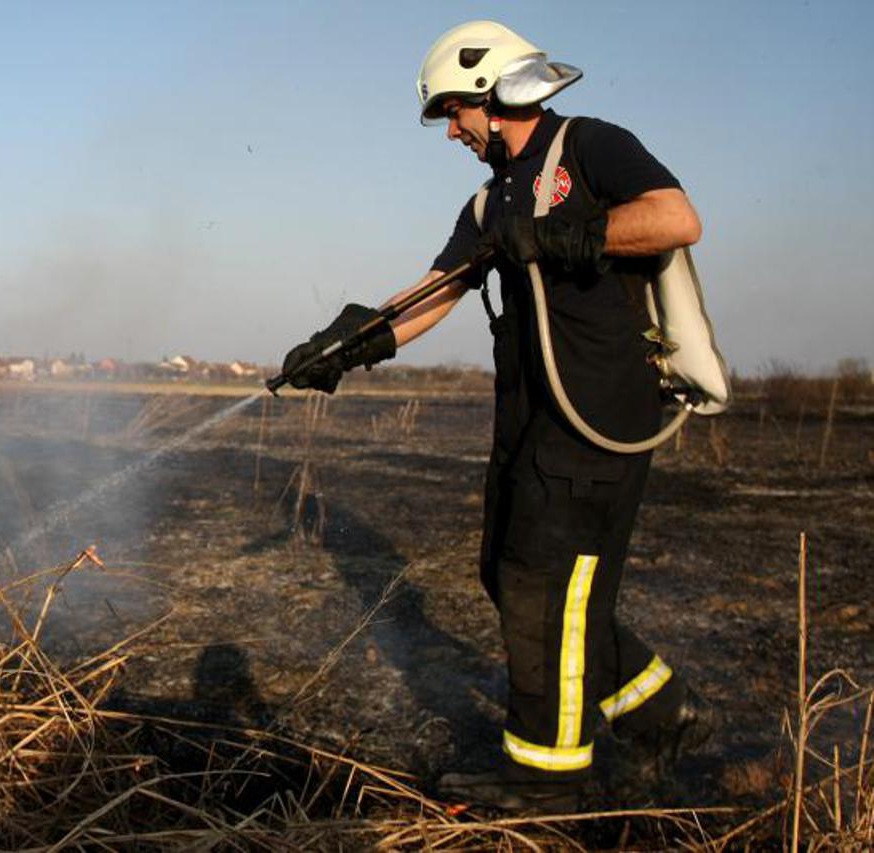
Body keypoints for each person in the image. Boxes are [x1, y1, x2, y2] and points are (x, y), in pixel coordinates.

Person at [279, 20, 715, 812]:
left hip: (596, 413)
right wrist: (345, 345)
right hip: (525, 417)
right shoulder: (486, 202)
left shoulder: (589, 146)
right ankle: (661, 711)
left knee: (548, 584)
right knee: (509, 572)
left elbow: (675, 217)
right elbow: (435, 290)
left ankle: (548, 775)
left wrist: (561, 234)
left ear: (492, 92)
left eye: (454, 112)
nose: (451, 131)